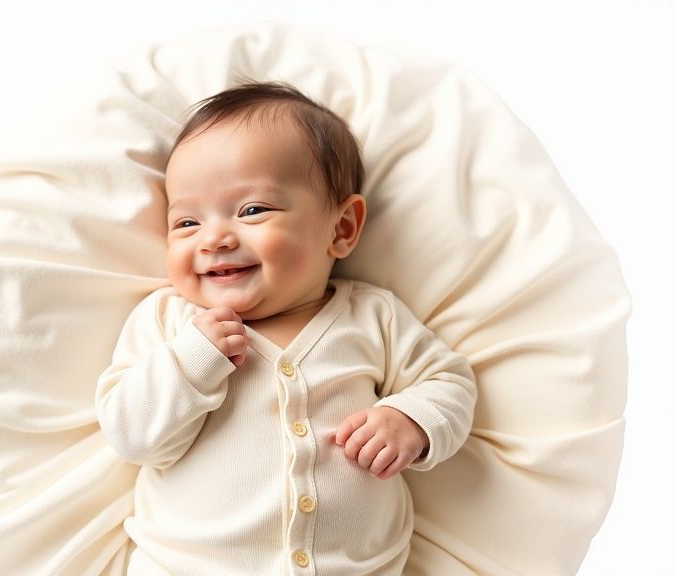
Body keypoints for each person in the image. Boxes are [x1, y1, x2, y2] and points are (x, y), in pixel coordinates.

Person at [95, 82, 477, 575]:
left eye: (252, 210)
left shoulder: (371, 316)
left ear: (340, 229)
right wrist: (188, 364)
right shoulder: (169, 321)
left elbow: (450, 382)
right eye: (186, 223)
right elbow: (130, 435)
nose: (213, 238)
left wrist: (413, 420)